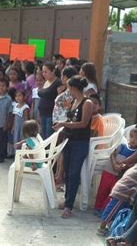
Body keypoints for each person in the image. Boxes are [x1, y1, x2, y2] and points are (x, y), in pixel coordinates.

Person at [52, 76, 93, 218]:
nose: (68, 90)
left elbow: (83, 123)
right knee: (68, 172)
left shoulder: (87, 103)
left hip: (80, 142)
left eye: (69, 87)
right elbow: (71, 119)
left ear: (74, 88)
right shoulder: (75, 101)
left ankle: (69, 206)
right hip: (70, 139)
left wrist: (64, 124)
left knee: (74, 172)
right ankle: (67, 199)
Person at [98, 162, 137, 236]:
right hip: (122, 194)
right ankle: (101, 228)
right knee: (111, 212)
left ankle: (109, 227)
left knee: (117, 212)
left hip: (121, 192)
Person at [93, 128, 137, 217]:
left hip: (119, 176)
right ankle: (97, 207)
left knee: (112, 193)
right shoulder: (122, 146)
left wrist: (126, 166)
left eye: (136, 138)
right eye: (132, 137)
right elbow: (112, 154)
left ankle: (104, 210)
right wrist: (114, 164)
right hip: (108, 171)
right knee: (102, 190)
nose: (133, 140)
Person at [38, 62, 62, 139]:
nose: (44, 74)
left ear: (53, 71)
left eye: (46, 72)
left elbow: (60, 99)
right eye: (43, 72)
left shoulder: (58, 82)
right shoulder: (46, 82)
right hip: (42, 113)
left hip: (51, 114)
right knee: (43, 136)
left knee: (49, 137)